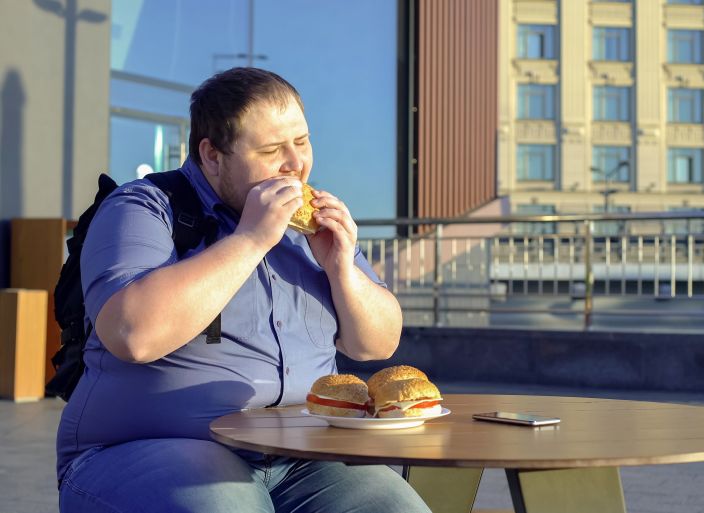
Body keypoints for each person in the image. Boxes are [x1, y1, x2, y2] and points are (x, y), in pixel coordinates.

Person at [57, 67, 431, 513]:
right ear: (212, 156)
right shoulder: (144, 208)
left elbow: (378, 343)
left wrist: (341, 268)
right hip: (153, 447)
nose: (295, 164)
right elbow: (132, 334)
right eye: (272, 149)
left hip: (301, 457)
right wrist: (251, 240)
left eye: (302, 141)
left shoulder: (310, 228)